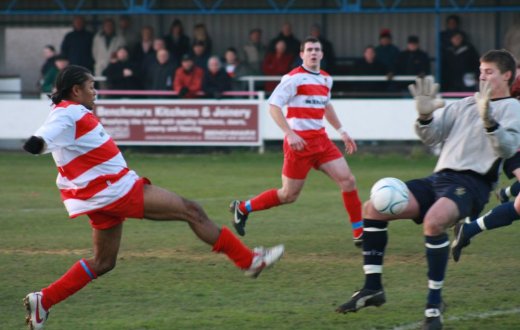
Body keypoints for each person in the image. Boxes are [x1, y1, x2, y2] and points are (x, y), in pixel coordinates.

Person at [22, 65, 285, 330]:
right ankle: (248, 260)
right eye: (91, 87)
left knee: (103, 262)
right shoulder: (68, 112)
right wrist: (36, 143)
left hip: (102, 196)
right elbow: (44, 135)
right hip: (115, 190)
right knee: (191, 210)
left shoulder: (72, 111)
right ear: (76, 90)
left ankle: (44, 300)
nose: (95, 92)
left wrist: (41, 143)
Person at [335, 49, 520, 330]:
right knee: (372, 208)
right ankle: (372, 288)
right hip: (439, 179)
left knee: (434, 223)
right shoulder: (464, 104)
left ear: (507, 75)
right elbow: (431, 136)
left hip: (472, 184)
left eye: (489, 72)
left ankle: (434, 307)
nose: (482, 77)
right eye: (480, 71)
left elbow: (507, 148)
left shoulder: (514, 109)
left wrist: (490, 122)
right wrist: (424, 117)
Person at [229, 36, 364, 248]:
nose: (313, 53)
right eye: (309, 49)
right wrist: (289, 133)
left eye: (316, 49)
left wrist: (342, 131)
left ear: (321, 54)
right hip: (299, 145)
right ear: (302, 54)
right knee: (288, 195)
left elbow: (326, 107)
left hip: (321, 142)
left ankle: (359, 232)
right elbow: (273, 106)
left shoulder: (326, 79)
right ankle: (243, 208)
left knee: (348, 181)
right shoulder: (293, 78)